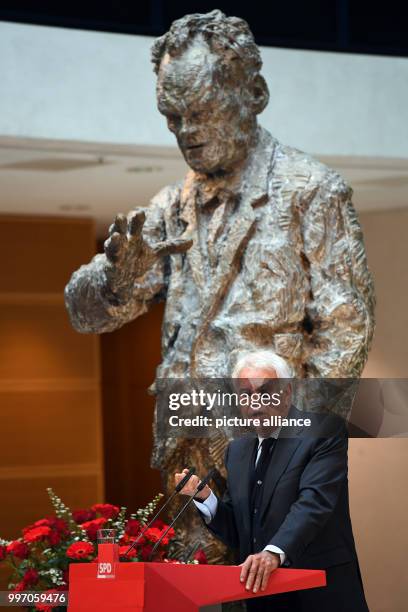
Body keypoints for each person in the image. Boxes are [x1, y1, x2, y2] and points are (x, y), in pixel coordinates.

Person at [64, 10, 375, 559]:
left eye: (201, 111)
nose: (187, 133)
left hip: (274, 455)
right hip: (190, 458)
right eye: (171, 118)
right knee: (196, 593)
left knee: (279, 591)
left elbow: (346, 331)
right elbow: (84, 314)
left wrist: (294, 447)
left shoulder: (310, 191)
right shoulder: (172, 206)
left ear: (253, 92)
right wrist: (118, 275)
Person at [175, 350, 369, 611]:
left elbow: (313, 504)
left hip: (320, 594)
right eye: (246, 395)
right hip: (265, 598)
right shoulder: (238, 451)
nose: (255, 402)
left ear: (287, 393)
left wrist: (273, 552)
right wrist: (206, 498)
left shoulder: (323, 431)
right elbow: (241, 531)